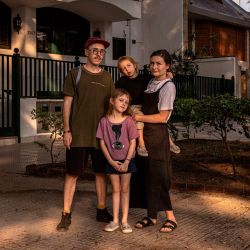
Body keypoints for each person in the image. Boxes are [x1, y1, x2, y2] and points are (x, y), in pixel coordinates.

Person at [56, 37, 114, 232]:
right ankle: (66, 213)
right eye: (95, 50)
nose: (98, 54)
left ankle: (101, 209)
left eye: (102, 51)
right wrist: (66, 130)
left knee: (101, 174)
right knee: (72, 174)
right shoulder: (75, 73)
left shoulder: (107, 77)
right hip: (78, 134)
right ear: (86, 52)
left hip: (101, 136)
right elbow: (67, 103)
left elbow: (112, 106)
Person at [132, 49, 178, 233]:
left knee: (159, 176)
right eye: (152, 63)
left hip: (158, 136)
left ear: (167, 66)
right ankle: (151, 216)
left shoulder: (168, 86)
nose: (154, 66)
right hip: (145, 135)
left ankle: (171, 217)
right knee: (146, 176)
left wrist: (138, 119)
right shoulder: (151, 82)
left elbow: (162, 117)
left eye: (158, 63)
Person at [116, 56, 180, 156]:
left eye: (128, 65)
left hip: (146, 104)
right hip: (133, 107)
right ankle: (141, 144)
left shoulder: (146, 78)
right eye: (123, 68)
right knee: (139, 118)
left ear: (134, 65)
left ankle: (170, 142)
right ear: (121, 71)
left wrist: (168, 75)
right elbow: (117, 95)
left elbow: (158, 81)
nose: (127, 69)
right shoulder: (121, 81)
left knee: (157, 118)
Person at [96, 88, 138, 233]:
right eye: (121, 100)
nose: (124, 104)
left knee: (125, 189)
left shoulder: (129, 121)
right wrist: (111, 161)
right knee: (115, 190)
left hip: (127, 161)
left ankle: (124, 221)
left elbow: (133, 142)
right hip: (111, 161)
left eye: (126, 102)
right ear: (112, 101)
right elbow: (102, 143)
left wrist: (126, 161)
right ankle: (114, 221)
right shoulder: (103, 121)